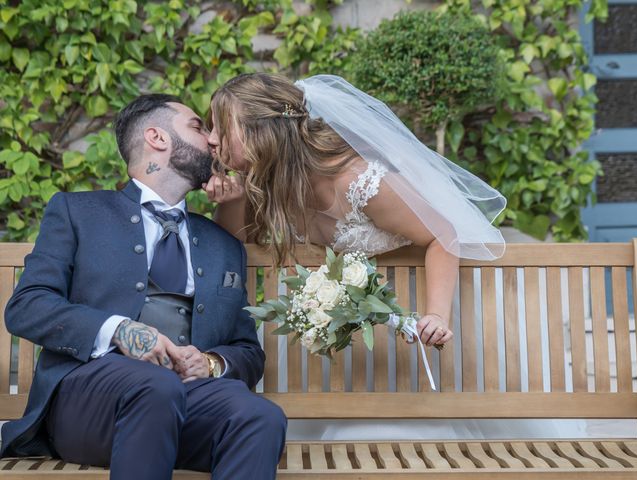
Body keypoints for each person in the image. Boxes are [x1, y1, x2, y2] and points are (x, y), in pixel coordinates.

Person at [1, 94, 287, 480]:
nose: (212, 141)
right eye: (198, 127)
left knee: (260, 416)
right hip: (88, 403)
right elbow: (27, 306)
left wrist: (212, 363)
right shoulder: (78, 212)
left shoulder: (222, 245)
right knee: (155, 388)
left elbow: (247, 351)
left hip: (185, 401)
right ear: (157, 138)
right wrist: (121, 329)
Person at [203, 73, 506, 348]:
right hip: (354, 329)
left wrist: (436, 316)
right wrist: (233, 198)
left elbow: (443, 234)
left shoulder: (357, 182)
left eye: (223, 127)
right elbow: (231, 249)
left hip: (426, 307)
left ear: (264, 133)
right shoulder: (266, 183)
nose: (211, 139)